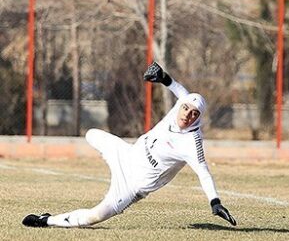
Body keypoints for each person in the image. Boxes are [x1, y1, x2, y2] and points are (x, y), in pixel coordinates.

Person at [22, 62, 236, 228]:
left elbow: (204, 173)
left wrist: (215, 202)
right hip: (127, 153)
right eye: (186, 109)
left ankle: (46, 221)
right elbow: (179, 89)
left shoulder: (192, 141)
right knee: (91, 134)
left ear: (198, 118)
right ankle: (108, 160)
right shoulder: (182, 102)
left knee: (94, 217)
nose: (188, 115)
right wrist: (163, 77)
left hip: (133, 185)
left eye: (194, 114)